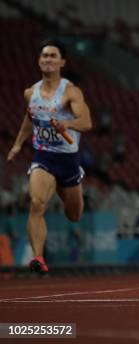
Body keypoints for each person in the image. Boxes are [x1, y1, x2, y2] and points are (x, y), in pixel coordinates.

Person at [6, 39, 93, 275]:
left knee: (74, 215)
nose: (48, 59)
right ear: (38, 60)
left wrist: (65, 124)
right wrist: (17, 145)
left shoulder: (71, 92)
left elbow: (86, 123)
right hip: (44, 157)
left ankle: (75, 187)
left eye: (53, 56)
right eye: (44, 55)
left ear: (62, 62)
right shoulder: (30, 92)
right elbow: (30, 117)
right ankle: (38, 258)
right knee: (36, 204)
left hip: (68, 161)